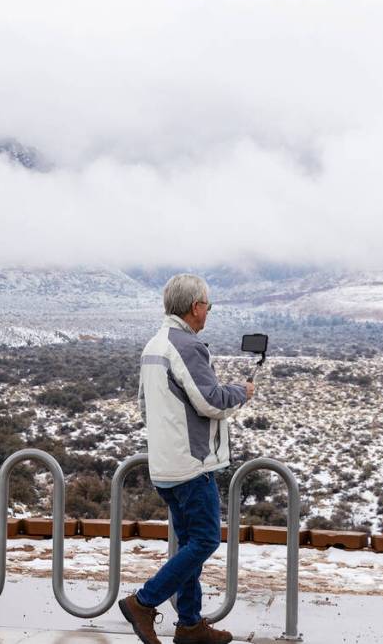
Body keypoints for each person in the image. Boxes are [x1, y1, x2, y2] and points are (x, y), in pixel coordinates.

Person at [119, 274, 253, 644]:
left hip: (164, 465)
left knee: (191, 543)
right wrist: (241, 391)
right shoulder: (186, 346)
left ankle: (191, 625)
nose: (208, 311)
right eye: (207, 305)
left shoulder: (154, 345)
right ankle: (143, 602)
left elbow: (144, 405)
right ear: (196, 307)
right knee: (206, 540)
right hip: (192, 466)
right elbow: (210, 400)